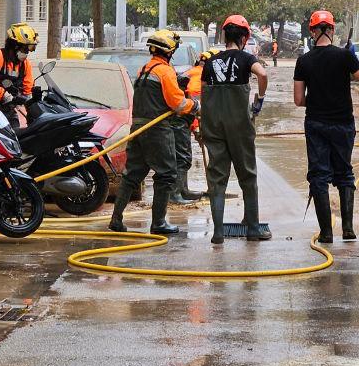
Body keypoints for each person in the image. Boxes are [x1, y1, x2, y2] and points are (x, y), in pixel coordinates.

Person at [294, 10, 359, 243]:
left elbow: (299, 100)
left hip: (316, 123)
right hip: (343, 123)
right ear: (331, 30)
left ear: (312, 32)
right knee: (344, 172)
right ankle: (348, 229)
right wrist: (354, 59)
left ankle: (326, 233)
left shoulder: (304, 61)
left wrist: (318, 97)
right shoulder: (344, 56)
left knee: (319, 175)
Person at [109, 30, 199, 235]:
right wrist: (194, 106)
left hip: (138, 128)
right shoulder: (165, 72)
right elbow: (177, 103)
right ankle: (158, 223)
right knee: (166, 174)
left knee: (132, 175)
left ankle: (116, 219)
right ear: (169, 51)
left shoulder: (145, 69)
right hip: (156, 129)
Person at [201, 15, 270, 243]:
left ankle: (218, 233)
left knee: (218, 179)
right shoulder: (245, 58)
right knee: (248, 176)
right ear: (244, 37)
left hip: (214, 126)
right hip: (240, 126)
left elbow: (203, 91)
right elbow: (263, 74)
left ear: (224, 35)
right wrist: (258, 99)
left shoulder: (210, 62)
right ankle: (253, 229)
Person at [169, 49, 215, 204]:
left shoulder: (193, 72)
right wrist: (196, 130)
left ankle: (183, 190)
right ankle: (175, 195)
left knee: (184, 155)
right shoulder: (199, 77)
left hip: (181, 119)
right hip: (179, 120)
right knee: (183, 157)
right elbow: (193, 107)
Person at [0, 23, 37, 127]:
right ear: (14, 46)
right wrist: (4, 95)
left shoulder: (25, 64)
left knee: (17, 137)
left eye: (28, 50)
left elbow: (28, 90)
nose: (27, 53)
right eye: (25, 49)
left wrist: (33, 105)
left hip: (8, 110)